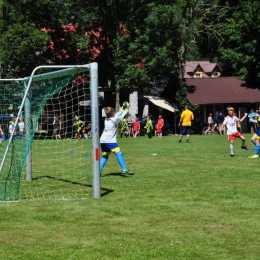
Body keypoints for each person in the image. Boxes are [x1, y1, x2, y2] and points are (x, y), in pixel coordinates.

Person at [100, 102, 134, 175]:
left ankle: (98, 171)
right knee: (118, 153)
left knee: (105, 156)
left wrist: (122, 107)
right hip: (110, 140)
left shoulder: (106, 119)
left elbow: (118, 113)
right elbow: (123, 114)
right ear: (112, 113)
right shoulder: (115, 119)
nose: (115, 112)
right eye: (114, 111)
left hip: (102, 140)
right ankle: (124, 169)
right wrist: (127, 108)